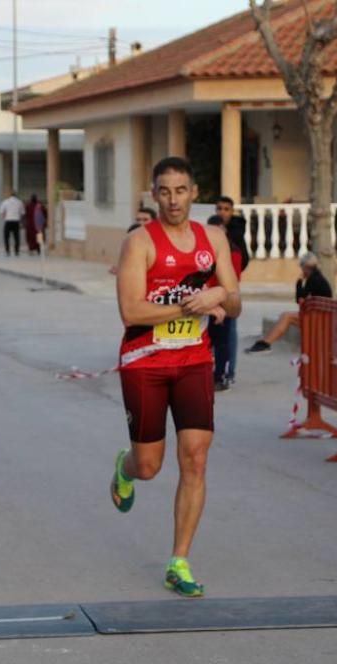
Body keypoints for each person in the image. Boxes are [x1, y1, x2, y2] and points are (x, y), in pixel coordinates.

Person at [112, 156, 241, 597]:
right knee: (149, 466)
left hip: (193, 361)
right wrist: (196, 304)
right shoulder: (139, 243)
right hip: (144, 361)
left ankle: (178, 560)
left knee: (196, 459)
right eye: (164, 191)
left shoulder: (214, 239)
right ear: (154, 194)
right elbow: (132, 310)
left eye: (180, 190)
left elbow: (236, 302)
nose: (173, 200)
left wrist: (222, 293)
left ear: (194, 192)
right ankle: (123, 468)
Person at [245, 252, 332, 354]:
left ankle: (266, 344)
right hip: (319, 317)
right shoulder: (318, 278)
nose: (301, 270)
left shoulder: (314, 279)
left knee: (286, 316)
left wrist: (299, 281)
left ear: (307, 267)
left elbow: (299, 299)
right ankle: (265, 343)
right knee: (285, 316)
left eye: (302, 267)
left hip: (318, 319)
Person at [207, 197, 249, 390]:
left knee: (225, 339)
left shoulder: (232, 250)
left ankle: (224, 375)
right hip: (208, 300)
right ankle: (214, 373)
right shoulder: (206, 250)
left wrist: (222, 298)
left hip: (224, 300)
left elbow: (232, 279)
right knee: (211, 340)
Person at [0, 191, 25, 257]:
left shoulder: (6, 202)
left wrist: (5, 217)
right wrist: (20, 220)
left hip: (8, 221)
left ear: (10, 195)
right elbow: (22, 213)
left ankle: (7, 251)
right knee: (16, 237)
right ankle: (16, 251)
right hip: (16, 221)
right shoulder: (19, 202)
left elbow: (1, 212)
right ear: (16, 196)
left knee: (6, 237)